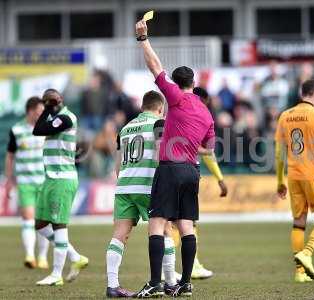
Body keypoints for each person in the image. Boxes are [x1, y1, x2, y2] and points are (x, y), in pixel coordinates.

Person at [135, 18, 215, 298]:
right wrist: (191, 146)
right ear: (193, 83)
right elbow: (209, 147)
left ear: (177, 84)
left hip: (170, 169)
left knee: (157, 223)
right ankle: (186, 283)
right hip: (192, 170)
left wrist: (143, 39)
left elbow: (155, 67)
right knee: (186, 225)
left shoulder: (176, 98)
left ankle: (156, 282)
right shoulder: (206, 113)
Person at [105, 90, 178, 297]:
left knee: (119, 235)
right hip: (148, 186)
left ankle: (112, 285)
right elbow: (160, 157)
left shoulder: (126, 128)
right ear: (160, 108)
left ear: (142, 107)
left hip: (124, 186)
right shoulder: (159, 124)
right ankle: (171, 281)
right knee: (164, 230)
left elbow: (117, 166)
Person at [275, 79, 314, 283]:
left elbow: (279, 152)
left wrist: (279, 180)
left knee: (299, 223)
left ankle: (300, 273)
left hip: (293, 176)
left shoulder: (285, 116)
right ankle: (307, 253)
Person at [170, 87, 228, 280]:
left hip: (168, 171)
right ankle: (181, 268)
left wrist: (219, 178)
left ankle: (178, 268)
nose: (205, 108)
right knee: (183, 223)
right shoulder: (196, 116)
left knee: (176, 223)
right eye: (205, 103)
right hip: (185, 172)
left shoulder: (175, 112)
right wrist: (219, 178)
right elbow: (208, 152)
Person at [33, 89, 88, 286]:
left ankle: (56, 275)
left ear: (59, 101)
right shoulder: (55, 118)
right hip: (50, 178)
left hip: (62, 179)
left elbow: (37, 130)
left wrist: (47, 109)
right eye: (47, 103)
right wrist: (48, 109)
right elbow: (40, 128)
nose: (49, 106)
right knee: (40, 224)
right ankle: (75, 257)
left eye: (51, 102)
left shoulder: (66, 118)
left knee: (58, 224)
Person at [4, 97, 49, 269]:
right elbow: (10, 156)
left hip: (45, 181)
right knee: (28, 219)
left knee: (44, 221)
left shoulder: (46, 129)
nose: (41, 115)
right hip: (25, 182)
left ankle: (43, 256)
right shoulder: (17, 130)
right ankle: (30, 255)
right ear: (30, 111)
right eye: (39, 112)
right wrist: (9, 180)